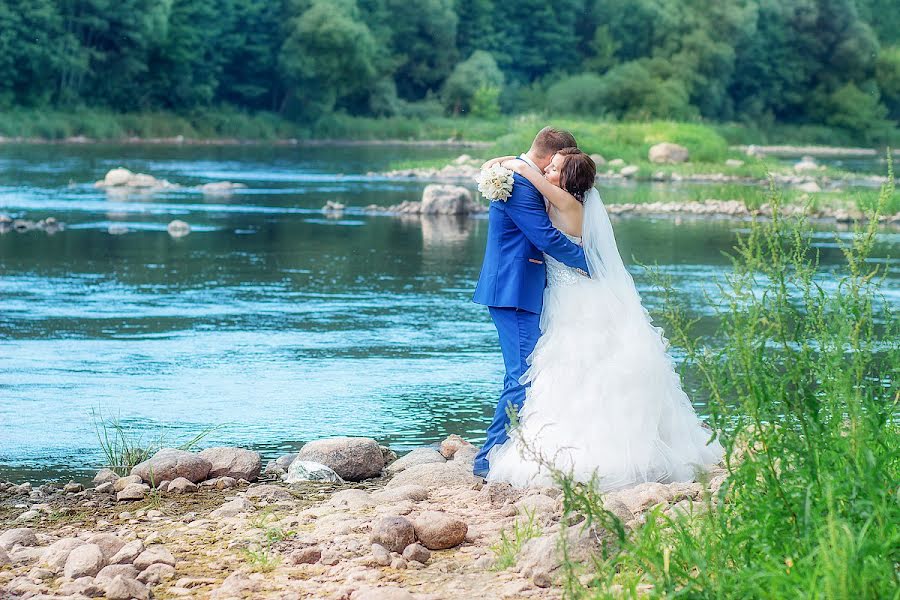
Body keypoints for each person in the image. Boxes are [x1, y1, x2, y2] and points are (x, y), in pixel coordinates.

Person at [480, 147, 724, 490]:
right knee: (562, 369)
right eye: (548, 166)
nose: (547, 172)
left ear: (567, 179)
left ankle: (577, 450)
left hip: (576, 297)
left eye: (554, 168)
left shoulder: (567, 204)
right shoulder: (563, 198)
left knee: (576, 365)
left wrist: (513, 164)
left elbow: (534, 184)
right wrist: (501, 163)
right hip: (561, 296)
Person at [471, 127, 590, 478]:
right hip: (515, 288)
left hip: (523, 287)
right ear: (551, 157)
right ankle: (489, 458)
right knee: (522, 374)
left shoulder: (519, 172)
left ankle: (514, 446)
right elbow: (545, 236)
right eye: (557, 162)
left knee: (529, 370)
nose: (558, 168)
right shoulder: (521, 183)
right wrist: (592, 264)